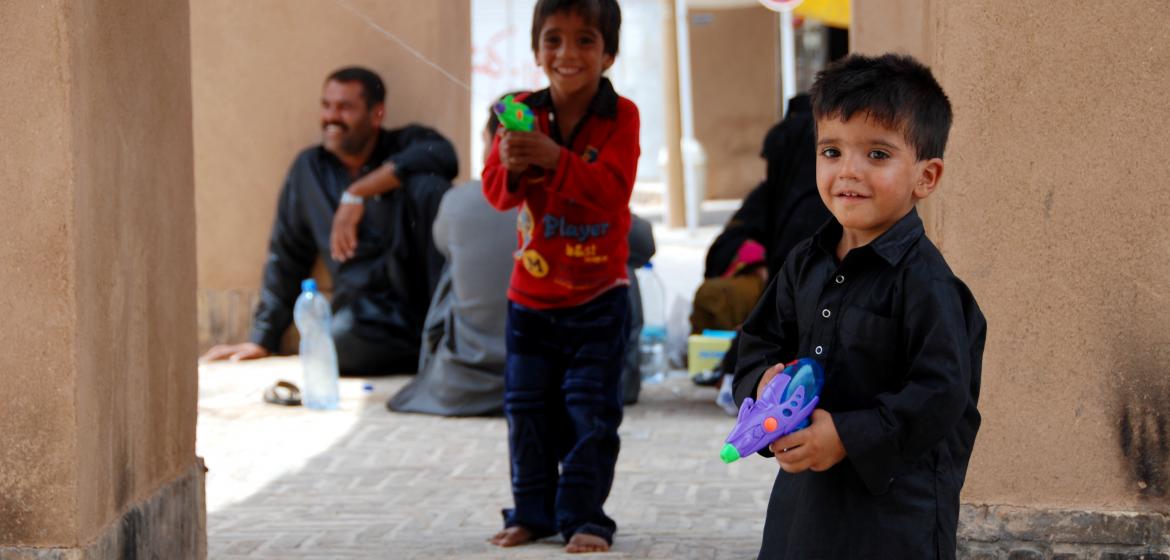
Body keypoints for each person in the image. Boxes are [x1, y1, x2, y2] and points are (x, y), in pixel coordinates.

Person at [732, 53, 987, 558]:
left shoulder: (927, 284)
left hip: (894, 518)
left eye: (877, 154)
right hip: (805, 508)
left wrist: (848, 435)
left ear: (926, 177)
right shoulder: (805, 262)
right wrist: (763, 385)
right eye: (832, 151)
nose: (848, 171)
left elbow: (941, 392)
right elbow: (759, 341)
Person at [482, 0, 637, 553]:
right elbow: (498, 195)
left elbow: (610, 193)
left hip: (599, 298)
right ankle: (531, 513)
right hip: (529, 299)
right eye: (554, 39)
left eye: (585, 40)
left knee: (591, 412)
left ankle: (585, 518)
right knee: (526, 412)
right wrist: (513, 163)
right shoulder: (518, 111)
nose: (567, 54)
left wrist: (552, 157)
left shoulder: (623, 116)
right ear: (536, 50)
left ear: (609, 53)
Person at [201, 67, 458, 375]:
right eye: (326, 105)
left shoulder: (407, 145)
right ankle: (425, 354)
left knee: (429, 186)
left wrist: (358, 192)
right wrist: (262, 339)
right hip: (365, 321)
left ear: (377, 114)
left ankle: (442, 341)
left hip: (424, 308)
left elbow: (444, 155)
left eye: (345, 107)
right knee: (334, 345)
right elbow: (286, 257)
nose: (331, 117)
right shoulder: (309, 170)